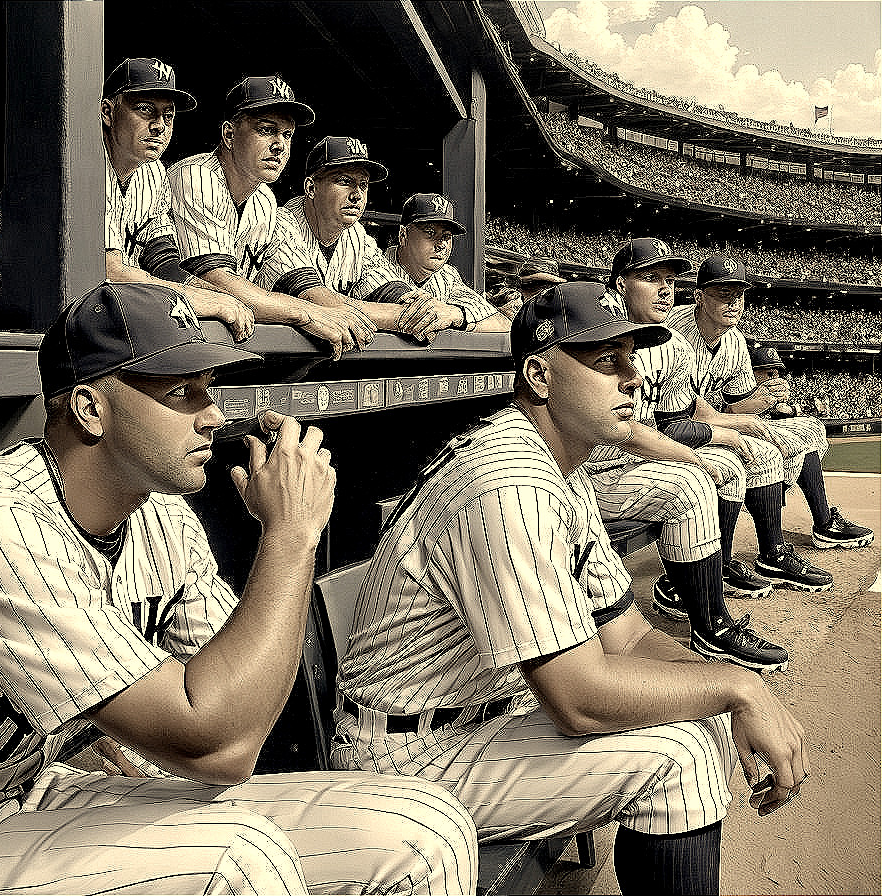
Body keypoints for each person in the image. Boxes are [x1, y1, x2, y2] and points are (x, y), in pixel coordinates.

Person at [0, 280, 480, 895]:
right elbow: (220, 742)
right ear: (90, 409)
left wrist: (134, 735)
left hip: (25, 795)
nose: (212, 414)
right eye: (181, 392)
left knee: (423, 827)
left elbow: (238, 695)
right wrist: (291, 539)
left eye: (210, 389)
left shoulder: (163, 516)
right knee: (237, 861)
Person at [332, 281, 810, 896]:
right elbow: (577, 697)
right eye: (605, 361)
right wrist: (739, 688)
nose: (632, 377)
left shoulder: (565, 470)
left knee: (701, 717)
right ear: (539, 374)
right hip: (404, 756)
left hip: (477, 722)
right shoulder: (506, 482)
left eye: (631, 359)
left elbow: (630, 635)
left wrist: (736, 694)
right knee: (681, 757)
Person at [588, 238, 788, 671]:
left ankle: (697, 587)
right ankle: (710, 624)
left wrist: (706, 441)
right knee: (692, 481)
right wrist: (693, 454)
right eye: (650, 277)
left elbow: (671, 421)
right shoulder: (594, 325)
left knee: (726, 468)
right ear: (621, 284)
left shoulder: (673, 346)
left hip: (629, 461)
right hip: (583, 468)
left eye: (670, 279)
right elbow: (620, 431)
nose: (665, 289)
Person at [667, 257, 873, 563]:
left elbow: (737, 401)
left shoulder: (735, 341)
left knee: (808, 429)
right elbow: (676, 405)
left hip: (716, 420)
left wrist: (763, 399)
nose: (734, 301)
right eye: (723, 293)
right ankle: (736, 558)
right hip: (675, 424)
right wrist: (744, 422)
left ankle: (818, 525)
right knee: (764, 450)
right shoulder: (674, 331)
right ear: (699, 296)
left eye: (739, 294)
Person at [167, 75, 375, 360]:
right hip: (171, 336)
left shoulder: (265, 201)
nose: (280, 146)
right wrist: (306, 314)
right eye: (266, 130)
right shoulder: (196, 176)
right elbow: (217, 281)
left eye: (287, 135)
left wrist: (336, 311)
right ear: (229, 135)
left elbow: (304, 286)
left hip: (228, 339)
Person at [260, 135, 506, 341]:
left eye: (363, 185)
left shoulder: (357, 236)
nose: (357, 195)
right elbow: (317, 299)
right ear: (311, 188)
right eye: (345, 181)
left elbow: (392, 289)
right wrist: (411, 319)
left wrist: (440, 312)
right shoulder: (281, 222)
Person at [100, 57, 254, 343]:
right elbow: (110, 272)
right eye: (146, 111)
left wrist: (215, 294)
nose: (159, 126)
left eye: (168, 116)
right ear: (108, 113)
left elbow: (164, 262)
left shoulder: (154, 172)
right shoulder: (88, 160)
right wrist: (205, 301)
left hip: (112, 317)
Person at [384, 192, 510, 340]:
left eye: (446, 236)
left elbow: (502, 324)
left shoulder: (446, 275)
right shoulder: (377, 265)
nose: (441, 244)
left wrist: (456, 315)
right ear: (403, 235)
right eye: (430, 233)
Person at [748, 343, 803, 419]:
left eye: (777, 374)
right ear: (752, 374)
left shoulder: (780, 392)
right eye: (770, 374)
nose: (774, 379)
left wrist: (790, 411)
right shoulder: (741, 394)